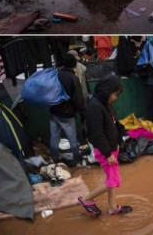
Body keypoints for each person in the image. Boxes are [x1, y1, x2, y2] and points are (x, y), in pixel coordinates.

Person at [78, 74, 132, 217]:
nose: (115, 98)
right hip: (105, 151)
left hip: (110, 149)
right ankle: (86, 199)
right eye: (115, 94)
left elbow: (112, 124)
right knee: (114, 181)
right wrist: (108, 154)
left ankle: (112, 207)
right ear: (108, 91)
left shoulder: (104, 104)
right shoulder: (95, 107)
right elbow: (96, 134)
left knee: (111, 179)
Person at [49, 54, 85, 165]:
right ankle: (77, 158)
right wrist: (80, 111)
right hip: (67, 114)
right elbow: (78, 98)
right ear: (74, 64)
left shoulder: (55, 75)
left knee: (54, 136)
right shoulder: (73, 78)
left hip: (54, 111)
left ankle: (54, 158)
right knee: (72, 137)